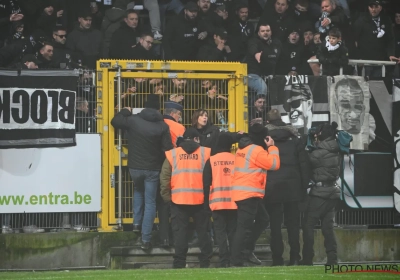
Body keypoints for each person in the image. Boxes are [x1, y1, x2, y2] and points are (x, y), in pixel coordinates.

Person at [111, 94, 173, 250]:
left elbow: (115, 121)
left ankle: (136, 224)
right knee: (150, 201)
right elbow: (167, 148)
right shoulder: (163, 126)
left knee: (138, 191)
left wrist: (125, 110)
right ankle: (146, 239)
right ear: (159, 109)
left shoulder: (133, 120)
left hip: (134, 167)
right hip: (153, 168)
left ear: (144, 106)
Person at [160, 127, 213, 268]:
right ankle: (205, 261)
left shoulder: (173, 154)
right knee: (203, 232)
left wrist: (167, 198)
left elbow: (165, 178)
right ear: (196, 139)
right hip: (201, 199)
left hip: (178, 200)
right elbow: (211, 177)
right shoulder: (205, 152)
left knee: (180, 233)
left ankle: (179, 262)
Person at [230, 123, 280, 267]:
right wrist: (272, 147)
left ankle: (245, 250)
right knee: (243, 227)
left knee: (263, 219)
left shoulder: (243, 148)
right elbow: (274, 164)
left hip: (245, 192)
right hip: (249, 192)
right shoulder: (256, 150)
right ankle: (237, 260)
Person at [264, 109, 310, 266]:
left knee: (275, 226)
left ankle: (277, 258)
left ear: (268, 122)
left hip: (272, 187)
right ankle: (295, 257)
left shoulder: (265, 139)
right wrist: (303, 189)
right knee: (293, 225)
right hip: (293, 187)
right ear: (282, 120)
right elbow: (304, 165)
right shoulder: (295, 138)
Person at [301, 122, 341, 266]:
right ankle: (332, 259)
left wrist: (305, 143)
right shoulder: (335, 148)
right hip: (332, 192)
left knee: (308, 225)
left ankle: (307, 258)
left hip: (320, 193)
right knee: (328, 228)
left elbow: (307, 162)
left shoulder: (318, 153)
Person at [203, 133, 237, 267]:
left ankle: (224, 260)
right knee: (233, 232)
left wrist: (206, 205)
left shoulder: (211, 160)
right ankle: (234, 259)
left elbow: (206, 184)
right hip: (234, 202)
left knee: (220, 233)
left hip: (217, 203)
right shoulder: (236, 159)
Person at [353, 0, 397, 78]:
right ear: (368, 7)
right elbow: (354, 39)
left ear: (380, 8)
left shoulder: (386, 20)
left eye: (376, 7)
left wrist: (391, 54)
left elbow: (390, 39)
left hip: (381, 60)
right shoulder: (361, 20)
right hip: (365, 60)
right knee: (365, 85)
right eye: (371, 7)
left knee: (378, 86)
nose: (374, 9)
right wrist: (358, 57)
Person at [246, 23, 281, 96]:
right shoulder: (253, 41)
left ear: (271, 32)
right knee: (262, 88)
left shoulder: (276, 43)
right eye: (263, 31)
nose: (265, 33)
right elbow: (253, 48)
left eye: (267, 31)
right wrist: (256, 54)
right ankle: (259, 106)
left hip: (268, 75)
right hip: (252, 75)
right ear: (258, 33)